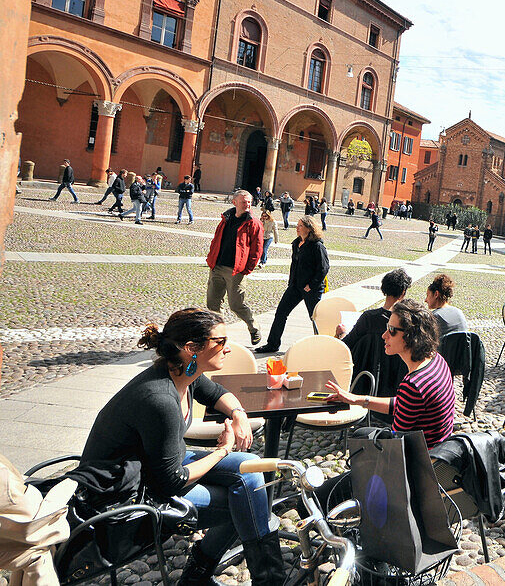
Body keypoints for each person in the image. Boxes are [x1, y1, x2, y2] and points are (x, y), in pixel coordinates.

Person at [80, 308, 286, 585]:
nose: (228, 349)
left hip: (158, 465)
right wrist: (223, 450)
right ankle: (262, 579)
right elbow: (171, 482)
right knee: (246, 503)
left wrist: (239, 414)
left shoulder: (181, 372)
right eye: (220, 342)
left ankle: (218, 575)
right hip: (128, 493)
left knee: (249, 470)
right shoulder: (160, 399)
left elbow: (214, 393)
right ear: (192, 348)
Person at [327, 299, 456, 448]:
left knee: (359, 439)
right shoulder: (436, 359)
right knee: (361, 434)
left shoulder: (413, 384)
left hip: (422, 460)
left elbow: (394, 444)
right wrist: (356, 399)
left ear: (411, 336)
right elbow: (405, 404)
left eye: (392, 330)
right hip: (438, 450)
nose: (384, 335)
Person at [255, 216, 329, 354]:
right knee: (281, 313)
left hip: (311, 288)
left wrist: (311, 285)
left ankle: (323, 347)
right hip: (295, 286)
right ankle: (272, 344)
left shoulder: (317, 245)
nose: (297, 227)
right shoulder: (296, 243)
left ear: (308, 228)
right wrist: (292, 282)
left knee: (315, 318)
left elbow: (324, 268)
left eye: (300, 225)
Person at [338, 268, 413, 401]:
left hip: (364, 382)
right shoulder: (406, 323)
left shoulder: (368, 318)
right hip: (393, 386)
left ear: (384, 289)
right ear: (403, 293)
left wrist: (341, 334)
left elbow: (347, 344)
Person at [206, 190, 263, 345]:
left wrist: (246, 269)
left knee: (236, 304)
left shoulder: (254, 223)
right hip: (217, 266)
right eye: (244, 202)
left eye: (249, 202)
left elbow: (257, 250)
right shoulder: (226, 219)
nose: (247, 205)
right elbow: (216, 239)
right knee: (213, 303)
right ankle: (219, 335)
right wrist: (211, 259)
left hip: (236, 270)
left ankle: (254, 328)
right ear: (235, 202)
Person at [425, 273, 469, 339]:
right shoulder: (459, 312)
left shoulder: (434, 317)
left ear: (436, 294)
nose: (425, 300)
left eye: (428, 295)